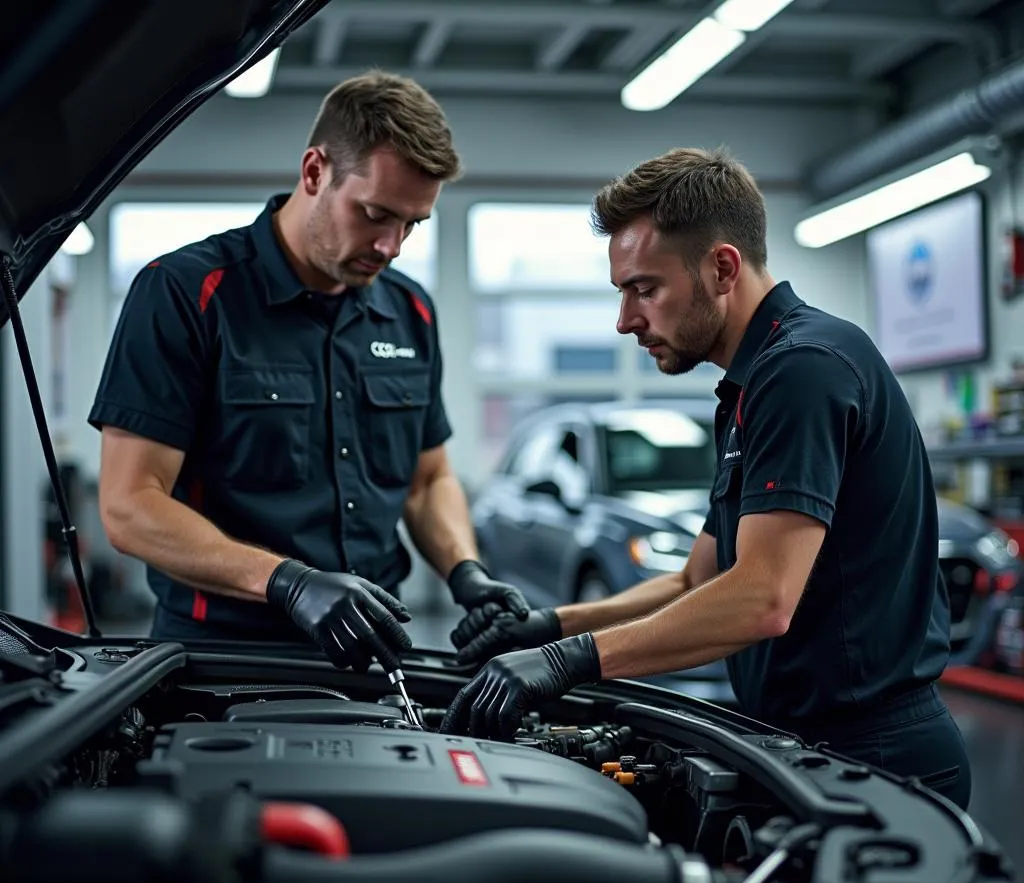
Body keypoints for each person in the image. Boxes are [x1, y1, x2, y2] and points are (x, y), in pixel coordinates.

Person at [443, 146, 972, 811]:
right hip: (806, 744)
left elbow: (761, 598)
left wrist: (568, 661)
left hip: (878, 758)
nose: (626, 320)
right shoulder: (751, 385)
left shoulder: (802, 370)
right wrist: (547, 627)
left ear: (722, 267)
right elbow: (700, 578)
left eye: (645, 288)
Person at [89, 71, 527, 672]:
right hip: (223, 659)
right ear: (315, 172)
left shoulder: (410, 310)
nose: (391, 245)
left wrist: (464, 570)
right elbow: (130, 505)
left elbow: (428, 481)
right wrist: (288, 582)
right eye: (375, 214)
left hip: (374, 653)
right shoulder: (187, 293)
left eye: (412, 225)